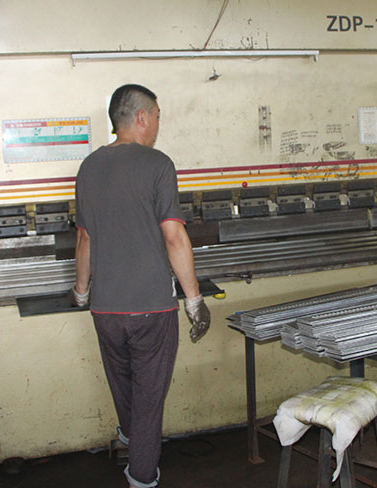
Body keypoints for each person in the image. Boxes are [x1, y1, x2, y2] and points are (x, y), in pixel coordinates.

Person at [72, 83, 211, 488]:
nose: (157, 126)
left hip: (105, 309)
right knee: (149, 399)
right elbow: (174, 237)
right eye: (158, 117)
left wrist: (82, 291)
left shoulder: (88, 167)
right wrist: (194, 300)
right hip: (151, 308)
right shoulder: (158, 164)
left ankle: (131, 441)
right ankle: (142, 476)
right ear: (142, 117)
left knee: (123, 386)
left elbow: (85, 238)